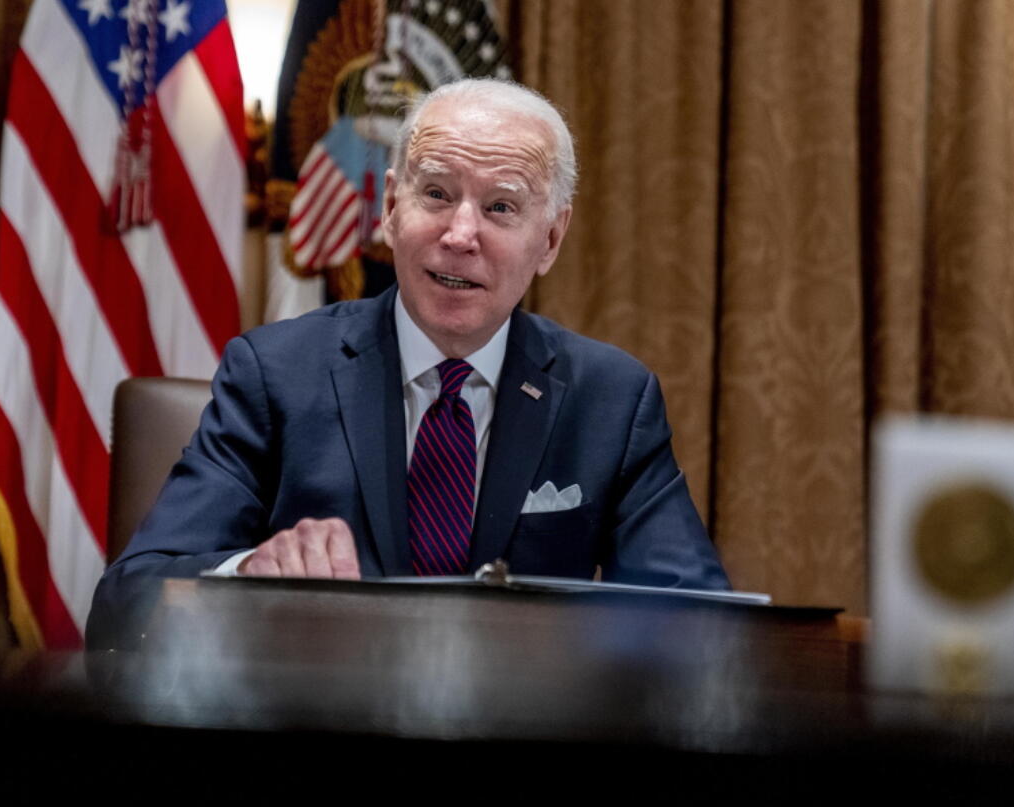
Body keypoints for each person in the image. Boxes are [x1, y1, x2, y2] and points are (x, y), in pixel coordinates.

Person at [87, 78, 729, 644]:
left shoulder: (611, 400)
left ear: (551, 239)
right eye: (437, 194)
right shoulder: (274, 374)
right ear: (392, 207)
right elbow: (127, 601)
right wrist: (246, 573)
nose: (459, 234)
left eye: (501, 206)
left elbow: (703, 625)